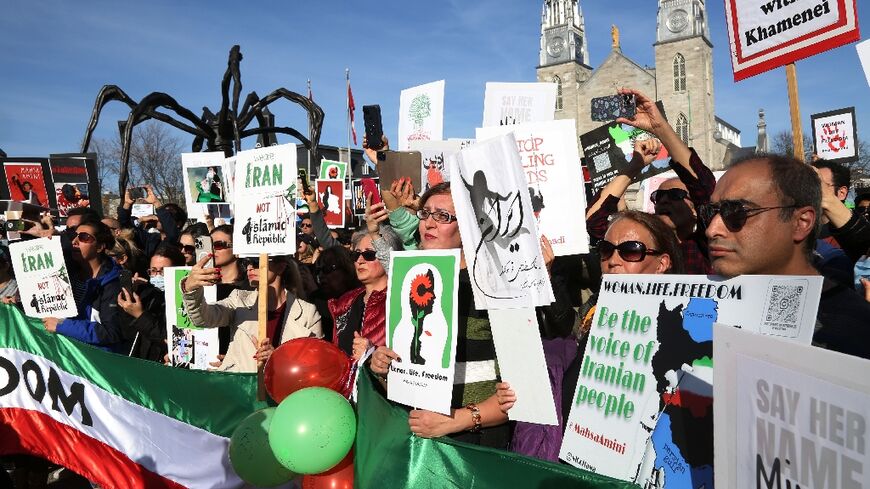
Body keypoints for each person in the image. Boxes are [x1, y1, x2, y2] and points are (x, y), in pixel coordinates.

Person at [496, 210, 682, 460]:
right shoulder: (595, 311)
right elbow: (566, 335)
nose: (613, 260)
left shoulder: (678, 326)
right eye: (606, 249)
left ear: (662, 264)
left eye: (631, 250)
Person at [369, 182, 511, 448]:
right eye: (425, 214)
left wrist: (456, 420)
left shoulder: (493, 285)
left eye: (443, 216)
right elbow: (403, 387)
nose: (429, 224)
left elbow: (519, 391)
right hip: (420, 440)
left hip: (475, 447)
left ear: (469, 226)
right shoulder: (410, 279)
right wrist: (385, 368)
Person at [702, 154, 870, 359]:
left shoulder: (853, 331)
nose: (712, 230)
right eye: (710, 212)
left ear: (801, 222)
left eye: (737, 212)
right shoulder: (702, 309)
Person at [586, 88, 716, 274]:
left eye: (675, 195)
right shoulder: (638, 242)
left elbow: (703, 185)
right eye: (658, 196)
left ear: (695, 210)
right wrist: (635, 165)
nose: (664, 200)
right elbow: (594, 219)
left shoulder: (704, 245)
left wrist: (658, 127)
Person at [181, 254, 322, 373]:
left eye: (256, 261)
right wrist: (190, 288)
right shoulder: (238, 299)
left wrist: (279, 359)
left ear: (281, 265)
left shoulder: (308, 313)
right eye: (246, 262)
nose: (249, 267)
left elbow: (314, 366)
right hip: (242, 394)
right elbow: (203, 318)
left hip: (283, 397)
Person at [330, 197, 403, 360]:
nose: (360, 260)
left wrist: (372, 354)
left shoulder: (401, 298)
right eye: (355, 254)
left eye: (369, 254)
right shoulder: (345, 302)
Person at [43, 218, 125, 353]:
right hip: (64, 354)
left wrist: (62, 326)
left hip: (93, 361)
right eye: (74, 236)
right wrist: (16, 303)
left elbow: (110, 332)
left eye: (84, 237)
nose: (75, 242)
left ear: (99, 247)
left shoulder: (112, 283)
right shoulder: (64, 273)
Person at [117, 244, 185, 362]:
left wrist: (140, 316)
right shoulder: (149, 295)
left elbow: (169, 340)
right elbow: (127, 332)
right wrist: (130, 297)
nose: (157, 275)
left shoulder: (185, 300)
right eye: (153, 271)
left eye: (163, 271)